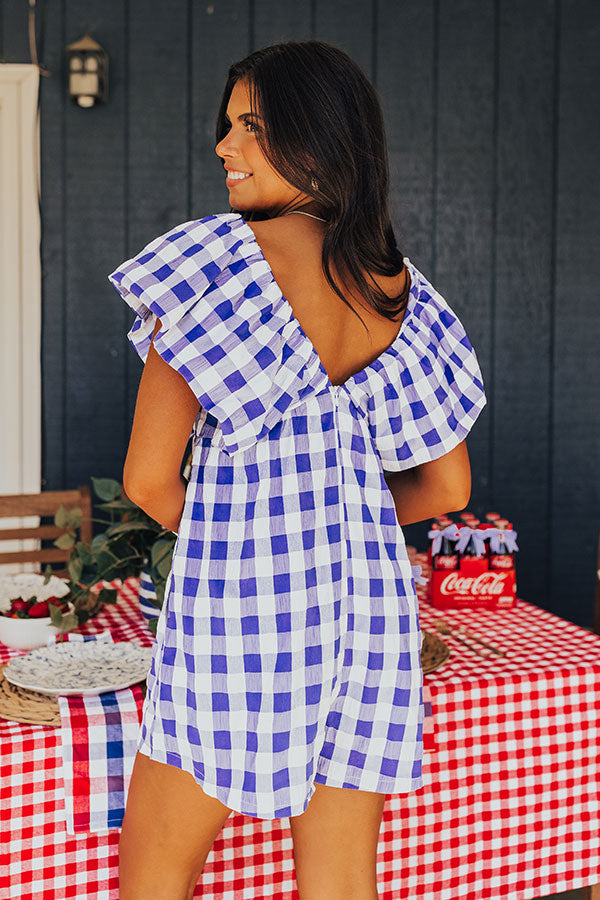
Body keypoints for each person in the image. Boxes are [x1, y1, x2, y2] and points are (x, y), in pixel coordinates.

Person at [108, 39, 486, 900]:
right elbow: (448, 489)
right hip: (366, 623)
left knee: (156, 878)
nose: (223, 147)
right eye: (227, 126)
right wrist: (337, 522)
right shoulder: (401, 293)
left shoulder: (220, 266)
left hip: (239, 621)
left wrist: (247, 548)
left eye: (251, 126)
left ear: (318, 139)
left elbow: (147, 480)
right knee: (341, 880)